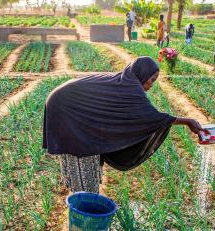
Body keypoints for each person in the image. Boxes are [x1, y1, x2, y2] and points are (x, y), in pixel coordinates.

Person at [43, 57, 206, 193]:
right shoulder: (131, 89)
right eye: (152, 80)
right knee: (81, 153)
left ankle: (84, 197)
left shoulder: (125, 82)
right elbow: (150, 118)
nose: (151, 85)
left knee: (90, 153)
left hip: (68, 103)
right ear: (142, 75)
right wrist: (186, 121)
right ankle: (81, 201)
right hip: (64, 107)